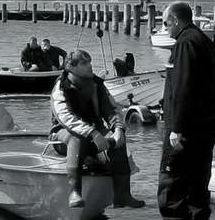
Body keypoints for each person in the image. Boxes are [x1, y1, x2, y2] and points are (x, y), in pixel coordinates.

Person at [155, 1, 215, 220]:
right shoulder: (203, 41)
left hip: (188, 125)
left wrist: (177, 127)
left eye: (165, 23)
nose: (164, 28)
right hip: (205, 123)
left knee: (173, 180)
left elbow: (185, 87)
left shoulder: (186, 43)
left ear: (176, 20)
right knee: (198, 181)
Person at [49, 49, 144, 209]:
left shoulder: (97, 84)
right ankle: (75, 192)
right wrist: (92, 133)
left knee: (119, 139)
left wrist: (118, 129)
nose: (90, 66)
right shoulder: (61, 86)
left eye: (90, 61)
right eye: (84, 63)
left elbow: (112, 108)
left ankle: (123, 195)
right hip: (63, 135)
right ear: (70, 68)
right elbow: (65, 116)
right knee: (76, 138)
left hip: (95, 131)